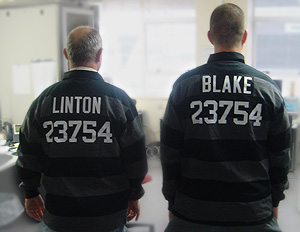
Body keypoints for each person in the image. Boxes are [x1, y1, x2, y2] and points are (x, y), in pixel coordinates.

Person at [160, 3, 290, 232]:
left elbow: (170, 153)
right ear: (245, 36)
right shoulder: (267, 89)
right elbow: (280, 157)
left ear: (210, 37)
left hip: (192, 211)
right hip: (253, 213)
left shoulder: (184, 87)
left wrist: (172, 200)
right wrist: (274, 200)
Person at [16, 26, 147, 232]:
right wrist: (134, 195)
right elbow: (136, 158)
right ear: (100, 55)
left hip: (60, 217)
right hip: (108, 216)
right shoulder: (119, 101)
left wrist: (31, 193)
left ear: (66, 54)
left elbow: (28, 155)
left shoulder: (44, 102)